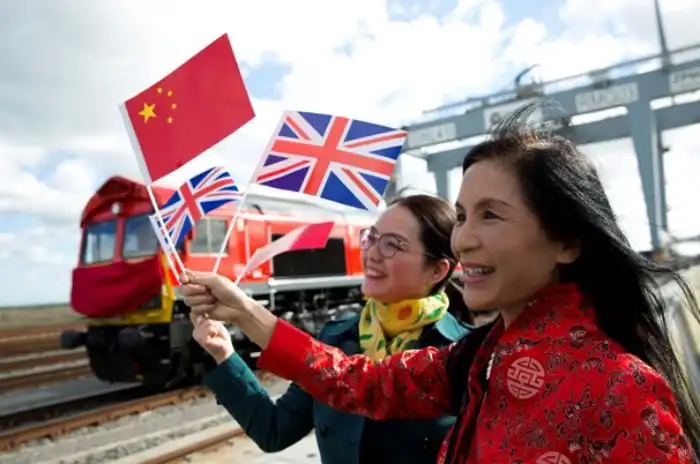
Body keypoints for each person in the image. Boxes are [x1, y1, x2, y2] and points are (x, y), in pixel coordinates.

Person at [180, 101, 700, 463]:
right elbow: (355, 382)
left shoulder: (622, 388)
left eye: (490, 215)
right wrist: (243, 311)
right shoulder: (477, 359)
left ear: (567, 241)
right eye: (463, 216)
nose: (464, 239)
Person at [191, 194, 472, 464]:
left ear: (437, 270)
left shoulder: (463, 354)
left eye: (393, 245)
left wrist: (246, 312)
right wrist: (224, 355)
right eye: (371, 237)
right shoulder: (336, 338)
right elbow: (275, 430)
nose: (372, 253)